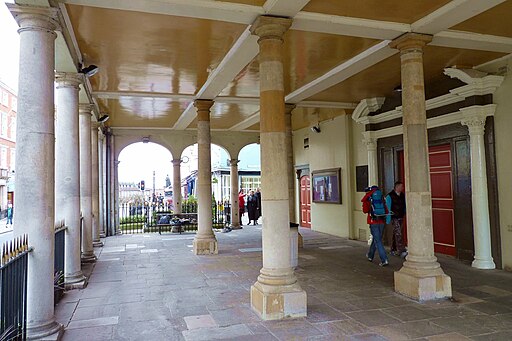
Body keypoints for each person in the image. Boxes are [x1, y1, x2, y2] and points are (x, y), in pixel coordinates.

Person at [362, 185, 389, 266]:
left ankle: (384, 259)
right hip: (381, 221)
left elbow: (365, 210)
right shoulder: (381, 197)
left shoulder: (368, 197)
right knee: (377, 239)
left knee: (378, 241)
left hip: (373, 221)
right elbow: (386, 210)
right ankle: (370, 255)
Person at [386, 181, 407, 258]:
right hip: (394, 217)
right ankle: (402, 250)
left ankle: (393, 249)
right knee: (398, 233)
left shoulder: (402, 195)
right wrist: (388, 219)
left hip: (400, 216)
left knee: (397, 232)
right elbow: (387, 208)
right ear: (397, 187)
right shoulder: (390, 196)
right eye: (401, 186)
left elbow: (404, 205)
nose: (402, 188)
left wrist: (405, 212)